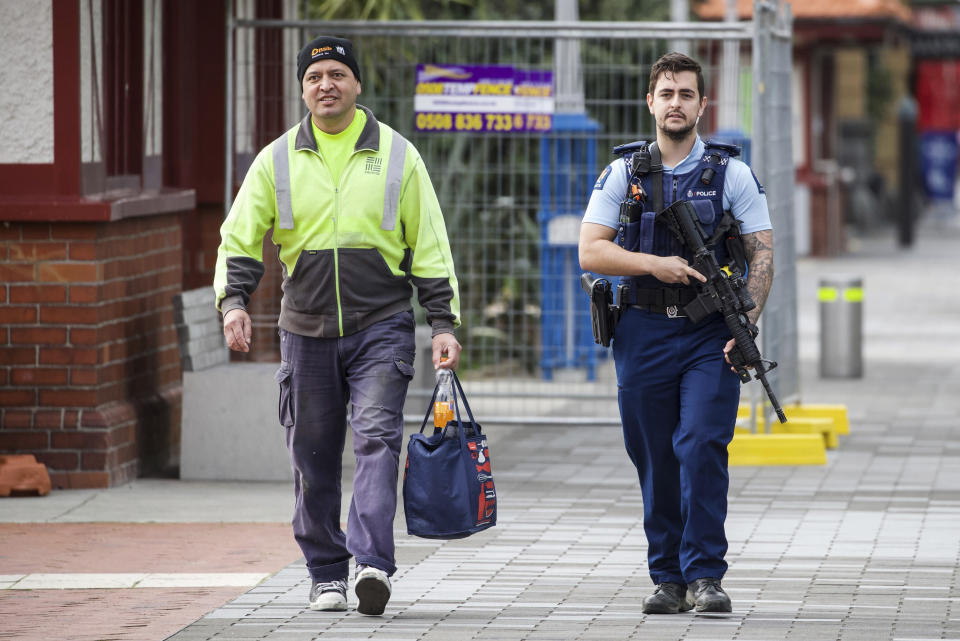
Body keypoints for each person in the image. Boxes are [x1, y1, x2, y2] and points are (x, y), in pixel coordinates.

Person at [213, 35, 462, 616]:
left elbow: (430, 245)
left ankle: (372, 564)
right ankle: (326, 572)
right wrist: (234, 303)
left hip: (383, 326)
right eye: (314, 76)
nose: (326, 84)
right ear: (303, 89)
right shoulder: (275, 159)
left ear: (356, 85)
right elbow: (240, 239)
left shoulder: (399, 156)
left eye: (337, 74)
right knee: (313, 451)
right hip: (304, 329)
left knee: (377, 439)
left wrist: (444, 323)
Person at [578, 52, 774, 614]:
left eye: (686, 94)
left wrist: (748, 324)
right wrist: (651, 265)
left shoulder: (731, 173)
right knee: (655, 456)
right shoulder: (624, 174)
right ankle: (667, 577)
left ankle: (706, 575)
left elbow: (763, 254)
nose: (676, 103)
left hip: (712, 334)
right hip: (641, 329)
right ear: (651, 102)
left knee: (702, 445)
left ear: (702, 104)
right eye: (666, 93)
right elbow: (590, 250)